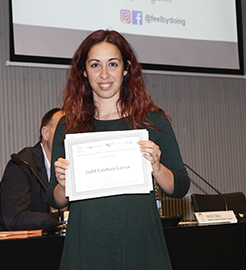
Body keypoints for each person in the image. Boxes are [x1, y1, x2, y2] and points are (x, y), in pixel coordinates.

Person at [47, 30, 190, 270]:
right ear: (84, 71)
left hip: (140, 244)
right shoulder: (68, 125)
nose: (104, 74)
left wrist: (157, 167)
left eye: (113, 64)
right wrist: (63, 183)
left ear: (126, 69)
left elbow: (180, 188)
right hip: (87, 245)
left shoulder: (151, 120)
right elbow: (56, 199)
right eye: (95, 65)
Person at [0, 108, 63, 230]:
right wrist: (61, 218)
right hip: (23, 246)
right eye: (63, 128)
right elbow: (14, 219)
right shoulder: (22, 165)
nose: (69, 133)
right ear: (45, 133)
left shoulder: (74, 165)